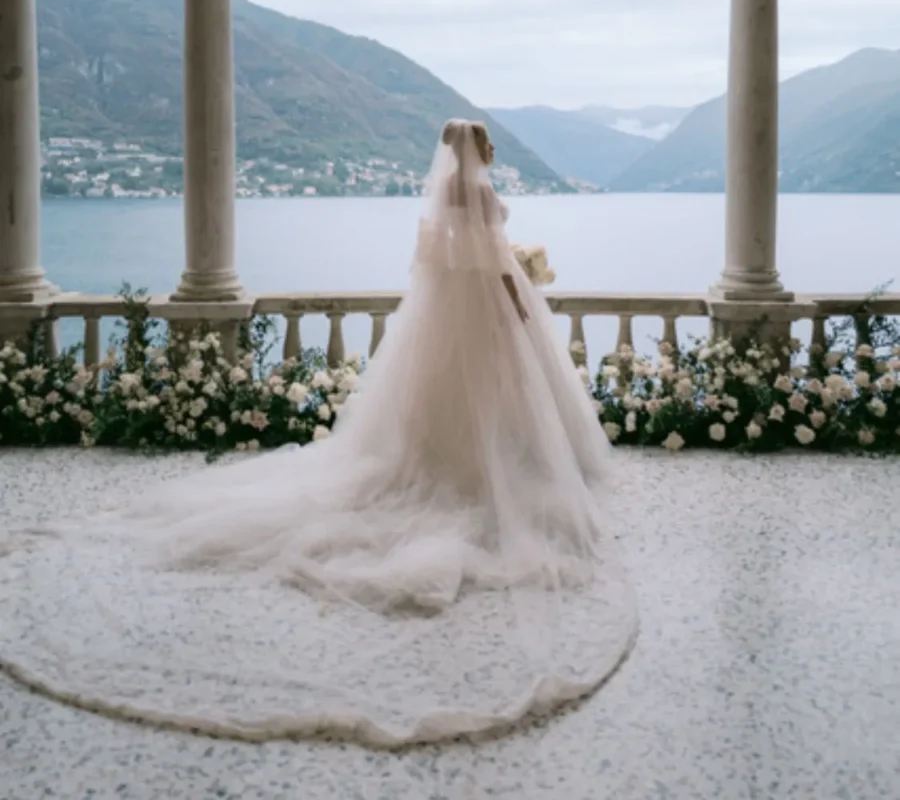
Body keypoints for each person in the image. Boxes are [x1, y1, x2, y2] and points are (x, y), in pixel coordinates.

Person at [0, 119, 636, 747]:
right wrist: (520, 299)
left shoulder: (442, 195)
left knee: (436, 405)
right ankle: (486, 471)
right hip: (483, 309)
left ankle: (443, 463)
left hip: (445, 311)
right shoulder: (487, 196)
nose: (493, 147)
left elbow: (428, 260)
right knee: (491, 399)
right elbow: (496, 260)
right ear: (475, 146)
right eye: (488, 140)